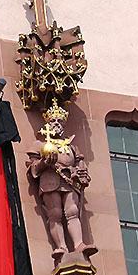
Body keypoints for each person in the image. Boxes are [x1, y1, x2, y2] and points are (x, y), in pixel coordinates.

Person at [26, 104, 95, 259]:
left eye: (59, 121)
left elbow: (80, 163)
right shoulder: (39, 145)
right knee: (55, 214)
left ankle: (79, 244)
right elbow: (33, 168)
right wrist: (45, 162)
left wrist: (81, 174)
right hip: (50, 181)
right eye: (53, 121)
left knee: (73, 212)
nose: (56, 124)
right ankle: (61, 247)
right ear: (47, 123)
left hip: (70, 181)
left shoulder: (71, 147)